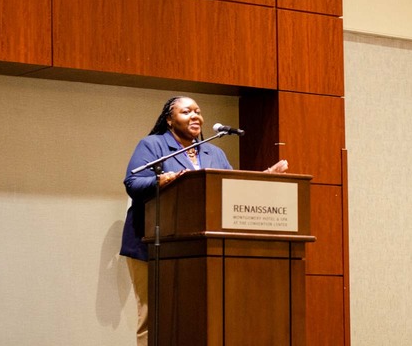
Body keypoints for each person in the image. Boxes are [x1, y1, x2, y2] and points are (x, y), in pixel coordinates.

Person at [120, 96, 287, 346]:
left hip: (198, 249)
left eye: (198, 111)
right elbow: (133, 183)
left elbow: (231, 189)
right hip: (151, 244)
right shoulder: (152, 146)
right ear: (169, 119)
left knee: (193, 316)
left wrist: (263, 177)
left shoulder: (214, 152)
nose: (195, 116)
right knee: (154, 316)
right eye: (186, 111)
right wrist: (160, 181)